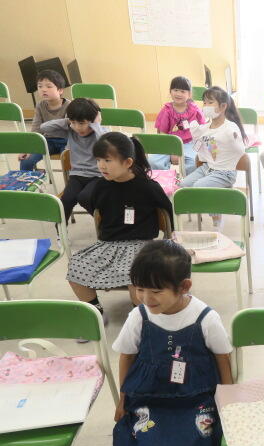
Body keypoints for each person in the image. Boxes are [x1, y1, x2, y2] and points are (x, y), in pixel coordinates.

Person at [112, 240, 232, 446]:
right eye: (140, 289)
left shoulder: (205, 318)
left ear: (184, 286)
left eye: (156, 291)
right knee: (144, 443)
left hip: (195, 398)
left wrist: (228, 400)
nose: (146, 298)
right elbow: (126, 356)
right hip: (149, 396)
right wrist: (122, 399)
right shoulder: (138, 316)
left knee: (196, 442)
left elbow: (223, 358)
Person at [66, 132, 173, 315]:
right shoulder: (100, 186)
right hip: (108, 244)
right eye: (98, 160)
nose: (101, 165)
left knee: (135, 275)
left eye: (107, 160)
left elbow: (167, 214)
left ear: (128, 162)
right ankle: (95, 311)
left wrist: (170, 243)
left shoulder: (148, 187)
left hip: (141, 245)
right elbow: (89, 204)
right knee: (75, 268)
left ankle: (140, 317)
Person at [181, 86, 246, 228]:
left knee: (199, 187)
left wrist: (233, 138)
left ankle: (216, 215)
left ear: (223, 106)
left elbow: (240, 148)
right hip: (207, 168)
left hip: (225, 172)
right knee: (183, 186)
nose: (206, 106)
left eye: (210, 103)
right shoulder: (206, 127)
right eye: (204, 103)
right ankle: (212, 201)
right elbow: (205, 149)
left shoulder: (230, 127)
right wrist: (195, 133)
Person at [37, 97, 106, 221]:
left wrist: (96, 124)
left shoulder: (100, 133)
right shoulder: (71, 131)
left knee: (85, 197)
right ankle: (61, 229)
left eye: (81, 123)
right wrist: (68, 121)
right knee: (66, 200)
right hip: (77, 175)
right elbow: (44, 127)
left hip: (98, 176)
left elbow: (107, 144)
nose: (77, 127)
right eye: (74, 122)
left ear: (92, 120)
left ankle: (103, 222)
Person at [148, 75, 204, 175]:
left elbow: (203, 129)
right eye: (176, 90)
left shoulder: (194, 110)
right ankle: (166, 180)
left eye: (182, 91)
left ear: (189, 94)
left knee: (194, 163)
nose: (178, 94)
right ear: (170, 91)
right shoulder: (166, 110)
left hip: (189, 143)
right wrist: (172, 150)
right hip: (168, 143)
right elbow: (162, 134)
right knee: (153, 161)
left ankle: (187, 182)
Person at [19, 70, 69, 171]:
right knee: (26, 161)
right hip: (47, 141)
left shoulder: (70, 105)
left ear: (60, 90)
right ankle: (26, 181)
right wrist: (28, 149)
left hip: (67, 142)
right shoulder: (40, 105)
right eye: (40, 86)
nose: (43, 90)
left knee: (70, 161)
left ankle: (72, 181)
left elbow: (72, 128)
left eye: (49, 86)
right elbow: (36, 129)